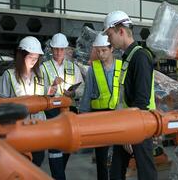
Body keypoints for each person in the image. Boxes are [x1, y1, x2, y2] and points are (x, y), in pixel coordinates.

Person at [103, 11, 157, 180]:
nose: (108, 40)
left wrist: (132, 131)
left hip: (139, 124)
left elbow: (142, 99)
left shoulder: (140, 57)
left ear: (121, 31)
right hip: (127, 122)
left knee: (145, 171)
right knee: (116, 170)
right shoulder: (128, 57)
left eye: (110, 34)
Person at [0, 36, 47, 167]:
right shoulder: (9, 75)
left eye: (36, 58)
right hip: (17, 129)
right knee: (19, 165)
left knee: (37, 162)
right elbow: (1, 103)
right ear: (21, 56)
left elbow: (45, 98)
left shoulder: (40, 76)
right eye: (30, 57)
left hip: (39, 128)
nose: (34, 61)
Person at [79, 33, 122, 180]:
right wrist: (83, 116)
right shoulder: (93, 69)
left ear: (112, 49)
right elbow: (87, 93)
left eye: (104, 50)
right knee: (101, 156)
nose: (101, 54)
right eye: (98, 51)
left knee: (119, 155)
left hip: (118, 114)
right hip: (99, 117)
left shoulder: (122, 67)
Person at [41, 32, 83, 180]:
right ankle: (59, 177)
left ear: (66, 50)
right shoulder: (43, 68)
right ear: (51, 50)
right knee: (55, 147)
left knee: (67, 146)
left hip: (69, 110)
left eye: (61, 49)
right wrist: (51, 88)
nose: (58, 52)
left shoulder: (74, 68)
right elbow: (39, 91)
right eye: (55, 49)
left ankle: (59, 173)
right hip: (52, 110)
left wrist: (74, 93)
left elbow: (81, 88)